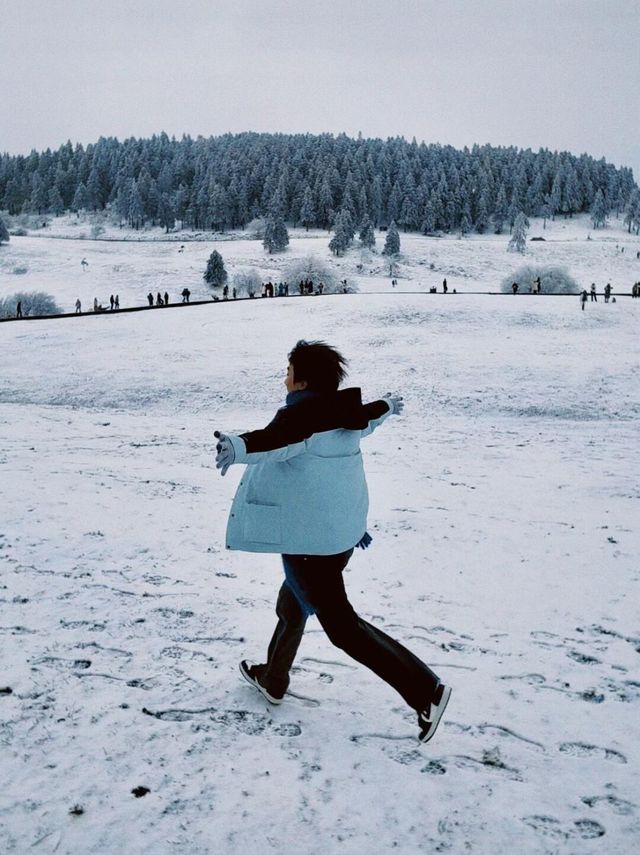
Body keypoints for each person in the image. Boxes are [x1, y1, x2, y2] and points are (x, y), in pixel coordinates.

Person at [214, 340, 451, 744]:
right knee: (291, 605)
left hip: (311, 547)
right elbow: (373, 414)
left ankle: (425, 691)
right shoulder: (345, 413)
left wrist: (236, 445)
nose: (285, 377)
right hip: (337, 537)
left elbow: (273, 441)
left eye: (288, 370)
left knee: (343, 628)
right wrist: (389, 406)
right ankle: (273, 679)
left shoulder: (303, 417)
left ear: (302, 378)